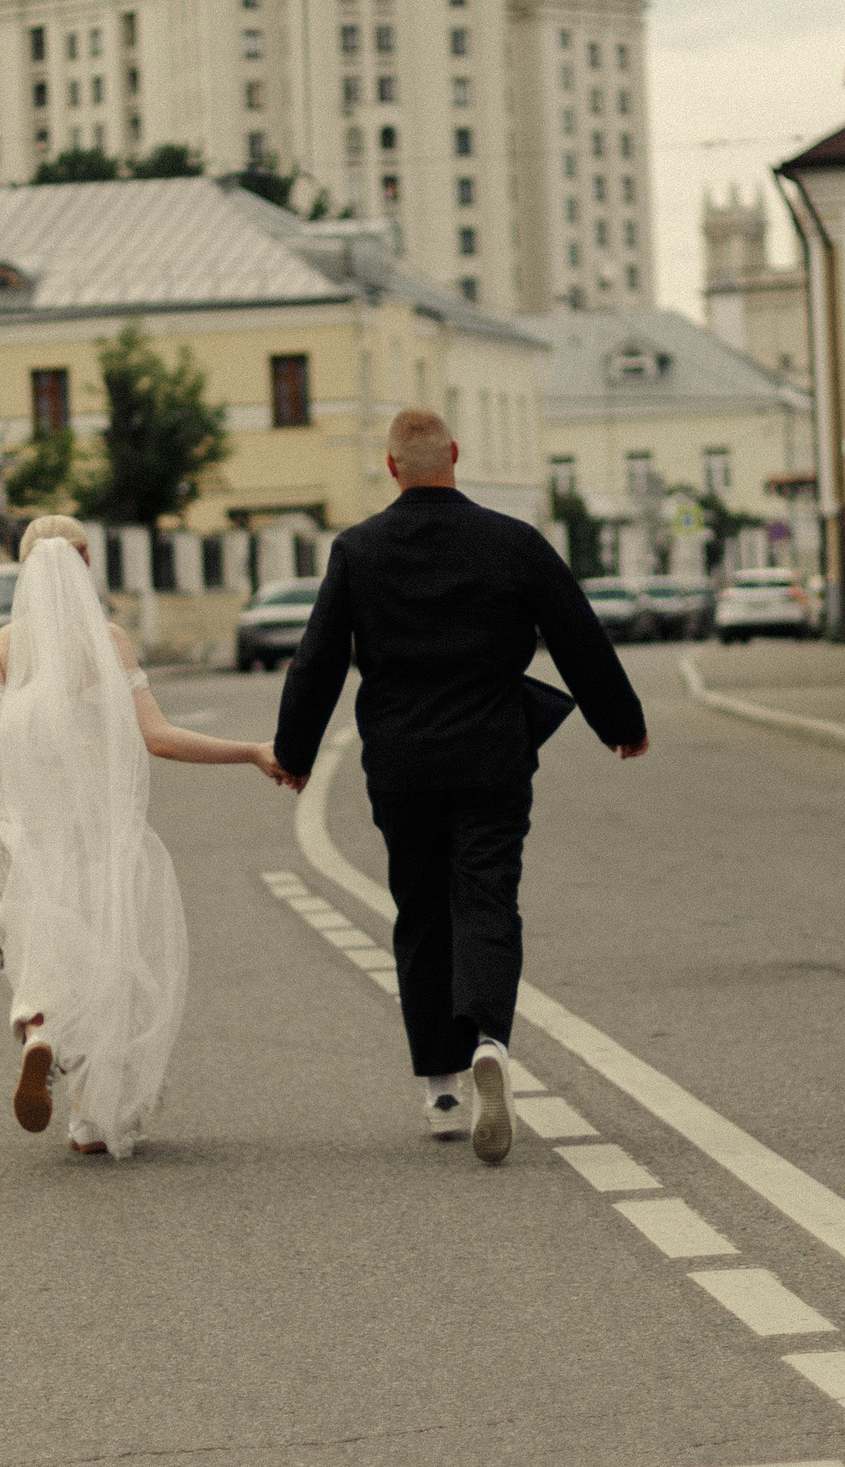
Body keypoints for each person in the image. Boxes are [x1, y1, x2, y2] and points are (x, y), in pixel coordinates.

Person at [273, 407, 648, 1164]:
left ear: (389, 467)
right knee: (486, 895)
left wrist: (295, 750)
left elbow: (318, 658)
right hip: (491, 755)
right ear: (455, 455)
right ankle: (490, 1039)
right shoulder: (513, 542)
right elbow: (577, 632)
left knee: (419, 907)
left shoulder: (358, 549)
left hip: (402, 761)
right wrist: (620, 721)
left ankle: (443, 1087)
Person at [0, 513, 295, 1157]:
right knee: (113, 958)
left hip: (35, 834)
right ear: (85, 567)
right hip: (109, 836)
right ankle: (91, 1114)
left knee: (42, 942)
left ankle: (38, 1034)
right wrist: (252, 750)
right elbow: (159, 738)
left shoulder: (1, 645)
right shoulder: (111, 642)